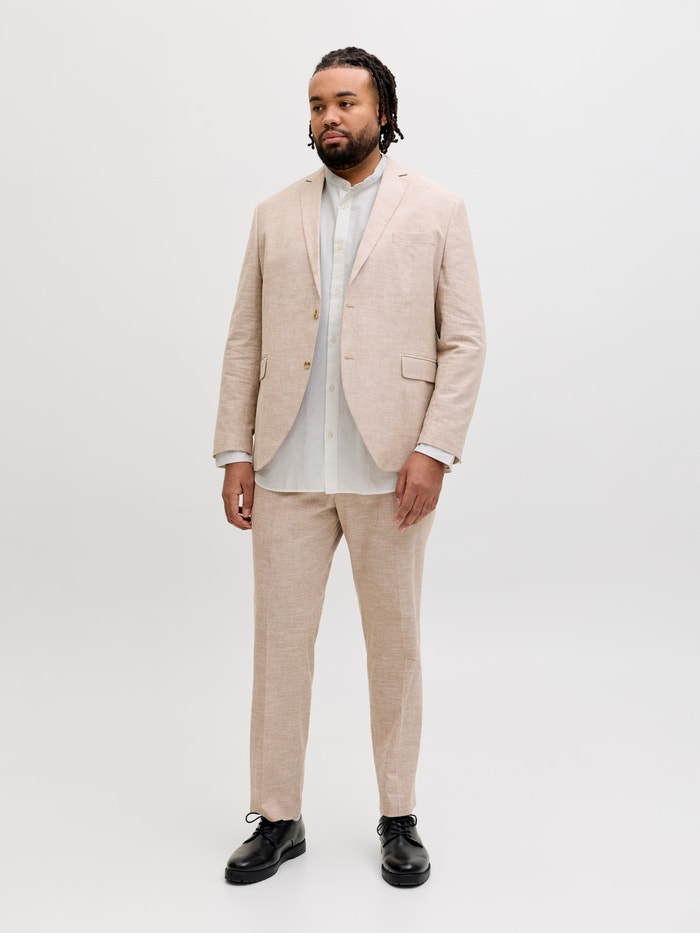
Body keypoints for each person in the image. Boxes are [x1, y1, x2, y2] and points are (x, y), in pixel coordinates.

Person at [213, 46, 485, 887]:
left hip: (392, 469)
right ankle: (278, 815)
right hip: (286, 466)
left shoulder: (436, 209)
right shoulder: (274, 213)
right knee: (279, 649)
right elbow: (246, 338)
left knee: (393, 646)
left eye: (344, 102)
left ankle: (399, 814)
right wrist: (235, 452)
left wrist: (434, 449)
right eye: (316, 105)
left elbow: (464, 340)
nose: (328, 117)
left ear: (381, 112)